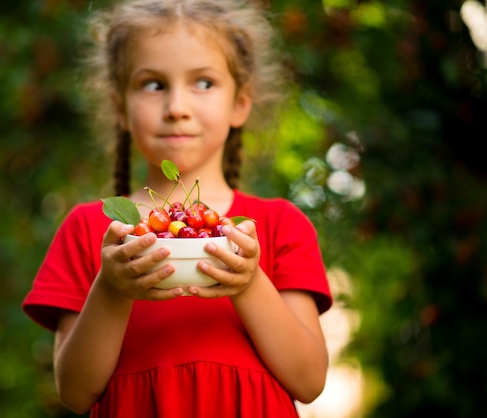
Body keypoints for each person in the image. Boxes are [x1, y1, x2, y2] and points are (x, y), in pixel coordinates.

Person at [22, 0, 333, 416]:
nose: (177, 108)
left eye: (203, 83)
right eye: (153, 85)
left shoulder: (278, 226)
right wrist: (112, 289)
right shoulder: (92, 229)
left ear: (240, 103)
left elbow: (309, 381)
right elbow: (76, 392)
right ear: (120, 107)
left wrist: (249, 282)